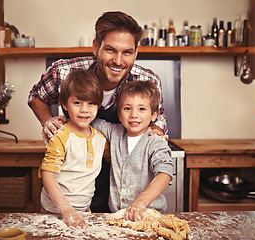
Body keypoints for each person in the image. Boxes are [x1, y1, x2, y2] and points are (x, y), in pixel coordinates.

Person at [28, 11, 167, 212]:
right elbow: (36, 96)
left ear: (136, 52)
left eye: (127, 52)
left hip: (120, 180)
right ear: (96, 47)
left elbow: (159, 116)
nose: (118, 61)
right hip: (72, 182)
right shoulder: (65, 72)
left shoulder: (148, 80)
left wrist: (156, 130)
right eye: (110, 50)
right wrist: (47, 120)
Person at [91, 81, 173, 221]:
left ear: (153, 115)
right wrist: (66, 119)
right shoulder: (114, 132)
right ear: (119, 113)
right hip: (118, 216)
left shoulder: (155, 141)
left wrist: (141, 202)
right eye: (127, 108)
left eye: (142, 109)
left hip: (149, 216)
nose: (134, 115)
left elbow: (165, 173)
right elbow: (91, 120)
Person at [38, 70, 108, 228]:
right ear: (65, 104)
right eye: (77, 103)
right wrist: (67, 210)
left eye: (91, 103)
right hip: (54, 211)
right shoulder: (60, 136)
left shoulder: (100, 139)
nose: (85, 109)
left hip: (83, 210)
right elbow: (48, 177)